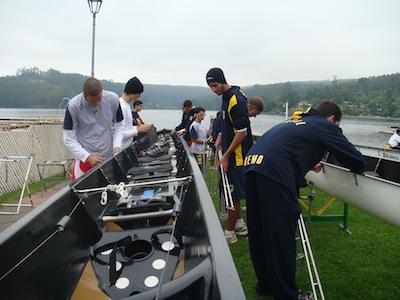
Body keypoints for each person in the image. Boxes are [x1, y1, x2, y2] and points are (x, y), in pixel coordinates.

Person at [243, 101, 365, 299]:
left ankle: (264, 285)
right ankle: (287, 294)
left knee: (260, 232)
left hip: (252, 165)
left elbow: (288, 149)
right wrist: (360, 168)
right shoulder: (324, 125)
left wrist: (307, 163)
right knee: (281, 235)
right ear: (333, 119)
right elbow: (353, 158)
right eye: (337, 124)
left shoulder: (295, 122)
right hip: (274, 170)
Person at [206, 67, 252, 244]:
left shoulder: (235, 98)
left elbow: (242, 133)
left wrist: (225, 156)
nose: (214, 89)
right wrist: (220, 136)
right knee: (231, 191)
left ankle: (230, 232)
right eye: (211, 87)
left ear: (223, 80)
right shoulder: (225, 97)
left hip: (238, 156)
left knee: (233, 195)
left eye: (216, 85)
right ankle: (240, 225)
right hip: (230, 152)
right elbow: (229, 124)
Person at [63, 78, 124, 180]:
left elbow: (119, 126)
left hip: (107, 157)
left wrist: (117, 145)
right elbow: (68, 138)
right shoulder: (73, 106)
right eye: (91, 101)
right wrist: (86, 156)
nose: (95, 104)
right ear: (84, 94)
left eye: (98, 100)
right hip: (85, 159)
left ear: (102, 91)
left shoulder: (113, 99)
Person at [119, 77, 152, 148]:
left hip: (127, 147)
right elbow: (119, 134)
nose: (139, 96)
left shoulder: (126, 105)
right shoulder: (121, 106)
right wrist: (138, 129)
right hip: (120, 150)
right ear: (133, 93)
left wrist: (137, 127)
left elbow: (127, 128)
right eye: (139, 94)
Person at [189, 107, 208, 171]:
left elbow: (207, 135)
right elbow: (194, 139)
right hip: (197, 151)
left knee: (202, 168)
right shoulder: (194, 125)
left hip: (203, 150)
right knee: (198, 169)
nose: (202, 116)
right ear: (196, 115)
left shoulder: (201, 125)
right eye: (201, 114)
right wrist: (205, 141)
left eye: (204, 115)